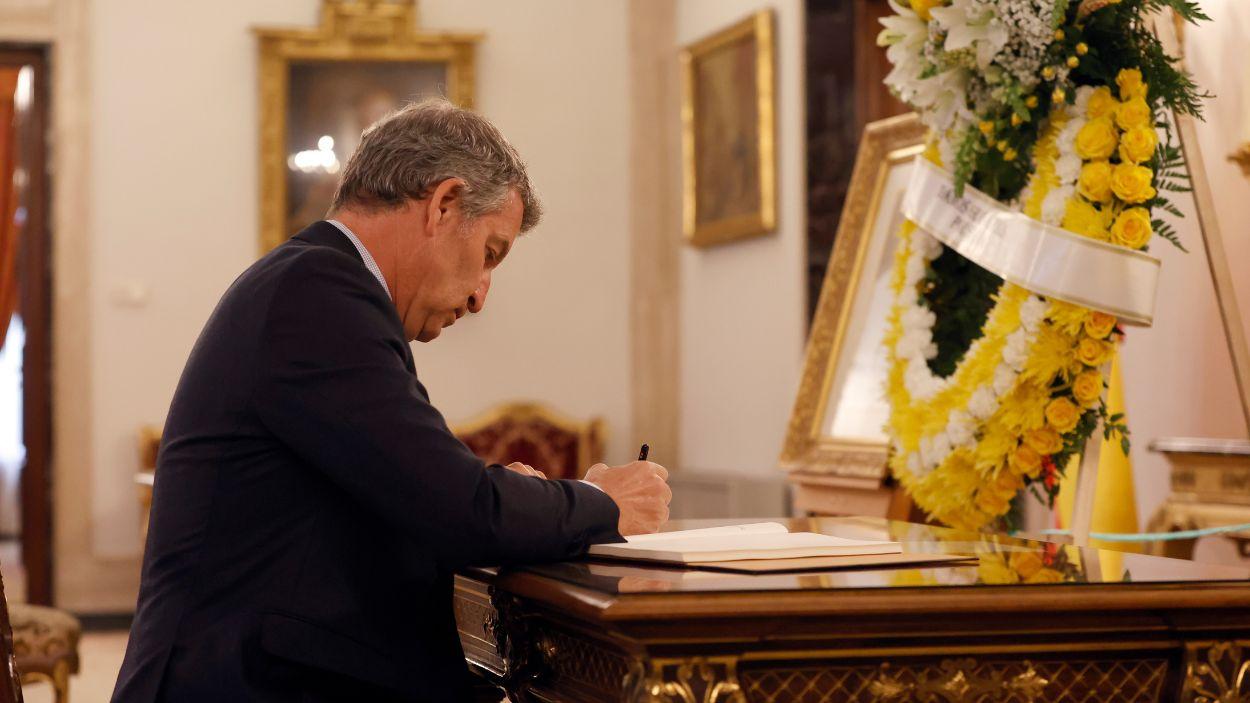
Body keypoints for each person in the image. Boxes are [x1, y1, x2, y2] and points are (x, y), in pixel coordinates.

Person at [111, 98, 672, 703]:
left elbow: (419, 491)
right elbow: (461, 510)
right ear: (444, 204)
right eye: (489, 254)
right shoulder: (317, 295)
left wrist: (518, 498)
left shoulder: (318, 285)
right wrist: (602, 501)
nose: (482, 295)